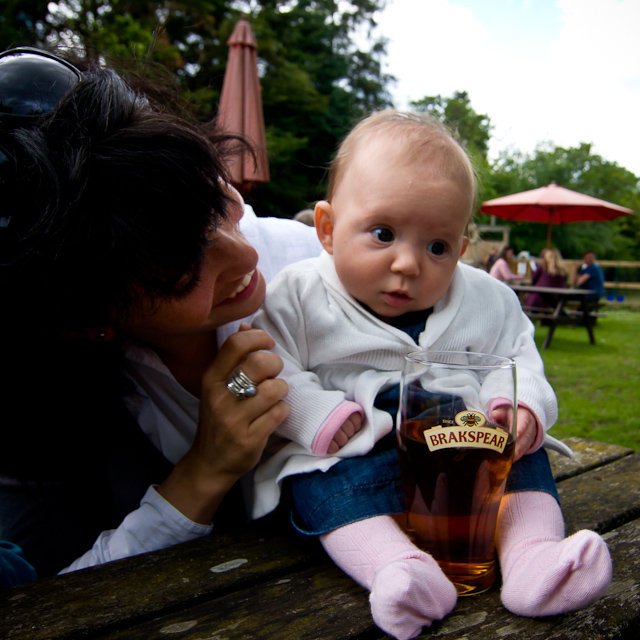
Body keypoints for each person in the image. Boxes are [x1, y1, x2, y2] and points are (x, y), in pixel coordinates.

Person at [252, 111, 612, 640]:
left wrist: (520, 406)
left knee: (521, 459)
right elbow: (270, 361)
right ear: (328, 229)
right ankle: (398, 571)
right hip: (356, 448)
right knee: (317, 486)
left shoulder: (488, 298)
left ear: (462, 248)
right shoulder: (298, 295)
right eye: (383, 233)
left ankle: (533, 560)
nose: (408, 264)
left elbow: (516, 354)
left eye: (437, 246)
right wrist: (315, 413)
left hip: (464, 458)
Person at [0, 47, 322, 580]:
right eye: (180, 270)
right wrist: (205, 468)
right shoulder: (33, 412)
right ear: (84, 322)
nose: (244, 254)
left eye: (215, 197)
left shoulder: (315, 263)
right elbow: (51, 601)